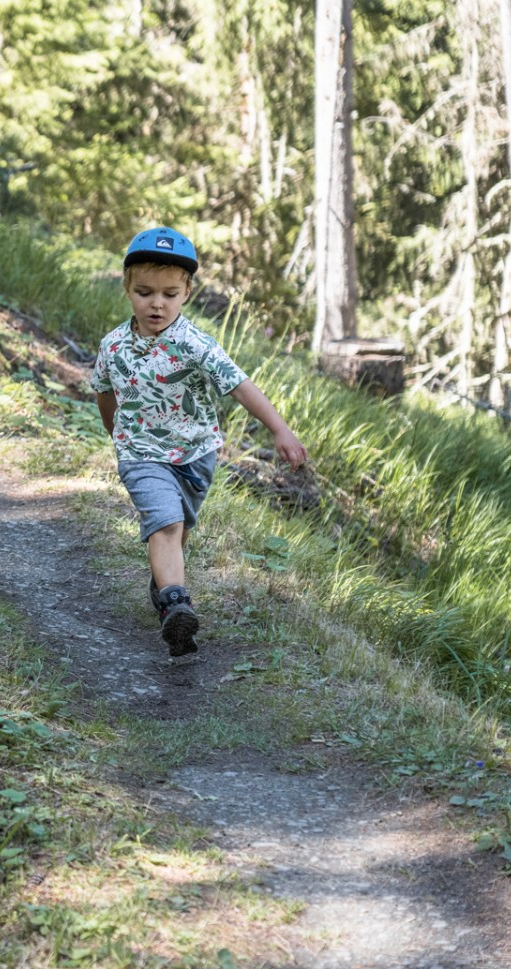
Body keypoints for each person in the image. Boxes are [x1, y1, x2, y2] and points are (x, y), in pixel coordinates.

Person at [90, 227, 307, 656]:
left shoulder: (195, 344)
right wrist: (115, 431)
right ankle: (177, 604)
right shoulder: (113, 345)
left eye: (170, 293)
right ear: (127, 288)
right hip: (140, 453)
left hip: (195, 454)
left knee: (178, 527)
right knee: (166, 522)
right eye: (145, 292)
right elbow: (103, 390)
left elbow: (241, 386)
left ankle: (163, 587)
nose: (157, 303)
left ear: (187, 291)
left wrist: (280, 429)